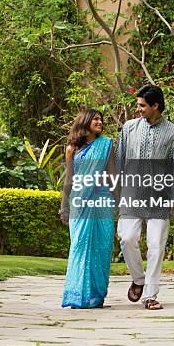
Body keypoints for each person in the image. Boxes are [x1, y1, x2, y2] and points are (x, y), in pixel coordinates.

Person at [115, 85, 174, 310]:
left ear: (156, 105)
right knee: (127, 238)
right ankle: (138, 279)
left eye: (142, 105)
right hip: (132, 195)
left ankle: (150, 295)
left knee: (156, 245)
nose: (138, 109)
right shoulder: (128, 128)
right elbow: (119, 161)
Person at [59, 108, 116, 309]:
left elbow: (111, 176)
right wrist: (63, 207)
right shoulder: (72, 149)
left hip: (101, 200)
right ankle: (77, 295)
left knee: (102, 246)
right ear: (85, 122)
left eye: (101, 119)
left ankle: (95, 296)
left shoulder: (107, 145)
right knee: (80, 245)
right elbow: (69, 179)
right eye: (96, 119)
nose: (100, 122)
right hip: (79, 202)